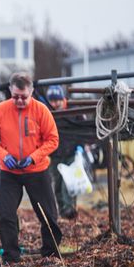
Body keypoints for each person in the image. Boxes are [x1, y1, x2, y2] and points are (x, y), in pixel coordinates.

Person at [0, 72, 63, 263]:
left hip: (37, 171)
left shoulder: (41, 110)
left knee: (48, 215)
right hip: (9, 172)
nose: (19, 100)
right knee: (6, 215)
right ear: (10, 90)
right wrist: (3, 155)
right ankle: (11, 257)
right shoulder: (0, 110)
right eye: (15, 96)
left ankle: (50, 254)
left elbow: (53, 140)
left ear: (31, 92)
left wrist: (34, 157)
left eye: (23, 97)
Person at [45, 85, 80, 219]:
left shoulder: (74, 111)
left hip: (71, 152)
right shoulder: (48, 113)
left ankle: (70, 208)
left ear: (63, 98)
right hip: (55, 154)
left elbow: (83, 128)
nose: (55, 104)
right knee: (58, 182)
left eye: (57, 100)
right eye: (52, 101)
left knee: (70, 182)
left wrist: (81, 146)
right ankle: (62, 210)